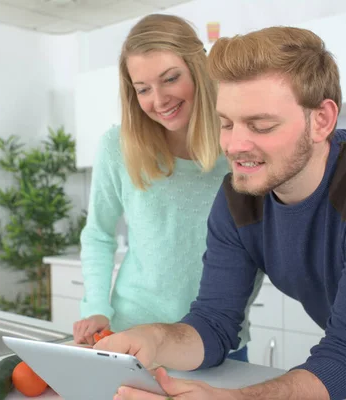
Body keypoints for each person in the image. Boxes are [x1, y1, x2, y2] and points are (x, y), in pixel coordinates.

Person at [94, 25, 346, 400]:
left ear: (321, 120)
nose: (235, 146)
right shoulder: (238, 197)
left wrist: (236, 398)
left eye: (261, 126)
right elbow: (214, 323)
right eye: (226, 123)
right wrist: (153, 339)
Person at [72, 14, 264, 362]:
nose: (158, 100)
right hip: (130, 337)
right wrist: (96, 307)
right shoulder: (118, 146)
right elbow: (98, 233)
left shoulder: (238, 148)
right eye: (143, 89)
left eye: (170, 79)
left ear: (198, 69)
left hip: (218, 342)